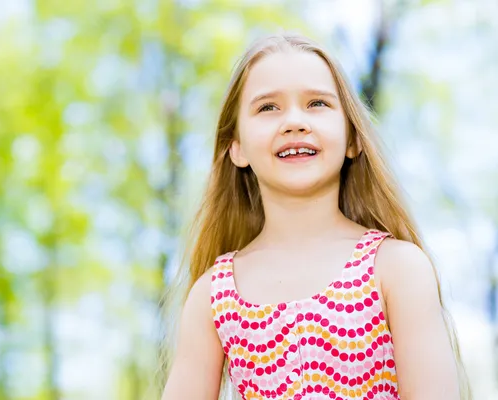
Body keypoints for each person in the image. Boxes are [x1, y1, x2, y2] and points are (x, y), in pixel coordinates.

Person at [161, 33, 469, 400]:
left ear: (353, 138)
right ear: (237, 148)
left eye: (317, 103)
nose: (294, 121)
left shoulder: (397, 269)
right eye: (267, 108)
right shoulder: (213, 297)